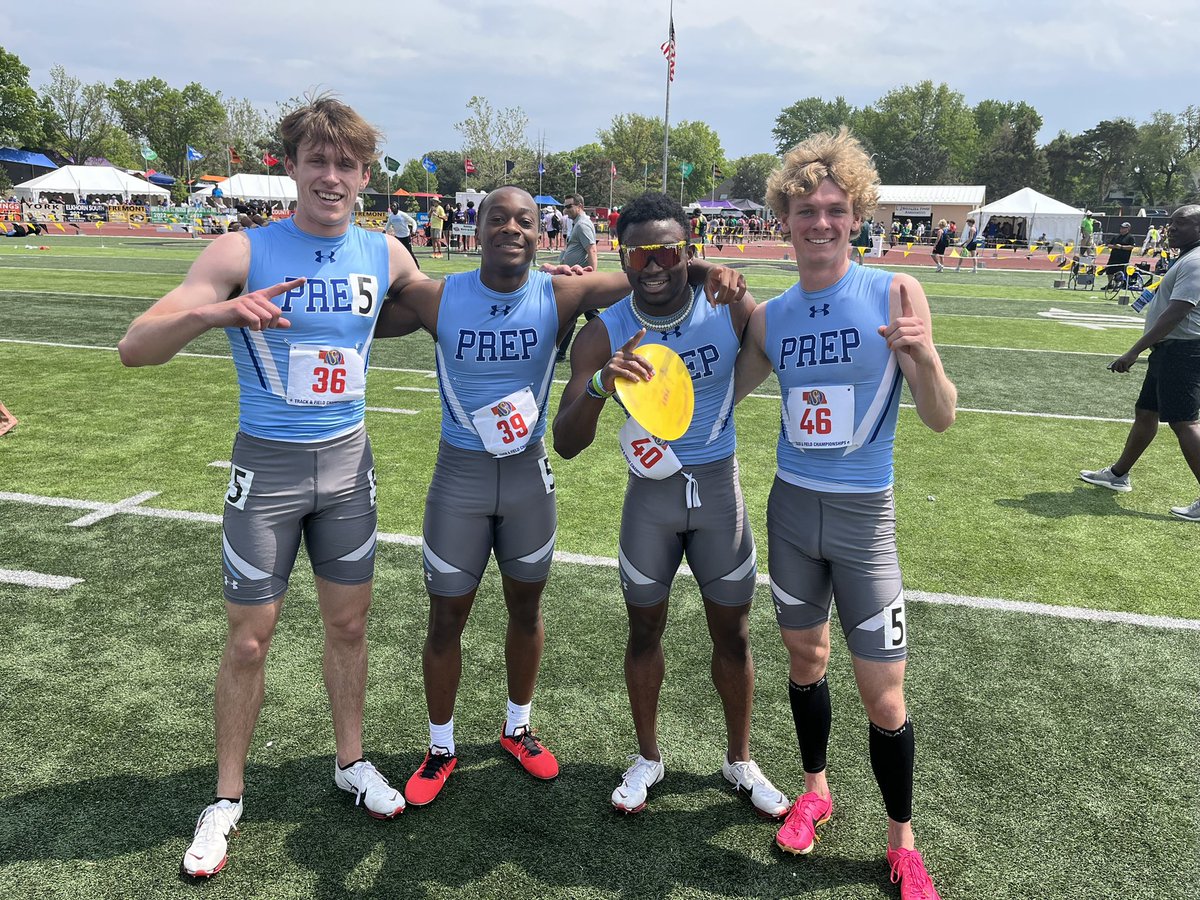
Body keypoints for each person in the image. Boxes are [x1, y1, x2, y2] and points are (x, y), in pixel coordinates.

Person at [117, 95, 427, 879]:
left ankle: (350, 762)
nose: (331, 177)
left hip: (349, 470)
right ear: (290, 166)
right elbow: (135, 349)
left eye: (346, 165)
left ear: (364, 176)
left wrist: (560, 286)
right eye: (317, 161)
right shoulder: (240, 250)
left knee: (350, 627)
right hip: (269, 470)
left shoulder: (384, 253)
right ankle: (225, 796)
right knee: (251, 637)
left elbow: (446, 306)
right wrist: (220, 314)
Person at [371, 186, 748, 808]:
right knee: (445, 617)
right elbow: (361, 317)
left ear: (540, 232)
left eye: (524, 220)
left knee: (526, 610)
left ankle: (517, 727)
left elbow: (652, 275)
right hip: (458, 479)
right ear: (478, 226)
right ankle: (441, 746)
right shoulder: (439, 297)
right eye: (498, 218)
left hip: (527, 480)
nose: (511, 228)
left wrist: (705, 265)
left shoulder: (561, 293)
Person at [733, 128, 955, 899]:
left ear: (855, 214)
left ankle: (903, 842)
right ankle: (816, 789)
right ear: (783, 221)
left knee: (883, 693)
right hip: (792, 513)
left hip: (865, 522)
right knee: (805, 661)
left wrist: (923, 357)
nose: (819, 222)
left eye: (834, 208)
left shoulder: (893, 293)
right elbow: (717, 397)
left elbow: (940, 416)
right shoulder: (772, 317)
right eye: (804, 210)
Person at [551, 192, 786, 818]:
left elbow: (773, 348)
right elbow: (565, 442)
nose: (654, 265)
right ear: (622, 258)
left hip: (717, 493)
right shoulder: (605, 332)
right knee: (644, 629)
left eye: (669, 251)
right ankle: (648, 756)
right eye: (640, 253)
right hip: (650, 504)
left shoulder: (727, 305)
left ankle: (740, 758)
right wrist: (601, 385)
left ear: (688, 250)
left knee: (733, 635)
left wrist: (717, 275)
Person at [1079, 205, 1200, 521]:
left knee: (1184, 422)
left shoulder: (1196, 261)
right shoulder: (1187, 257)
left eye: (1181, 223)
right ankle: (1118, 475)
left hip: (1182, 351)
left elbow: (1178, 311)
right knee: (1146, 412)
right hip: (1170, 351)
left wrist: (1133, 351)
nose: (1171, 228)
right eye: (1170, 223)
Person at [1102, 221, 1137, 292]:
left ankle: (1117, 285)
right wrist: (1114, 246)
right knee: (1110, 271)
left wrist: (1121, 247)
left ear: (1128, 229)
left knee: (1120, 272)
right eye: (1121, 228)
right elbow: (1109, 245)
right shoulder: (1116, 237)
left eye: (1124, 228)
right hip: (1113, 257)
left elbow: (1131, 247)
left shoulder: (1130, 237)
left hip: (1123, 258)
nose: (1122, 229)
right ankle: (1110, 284)